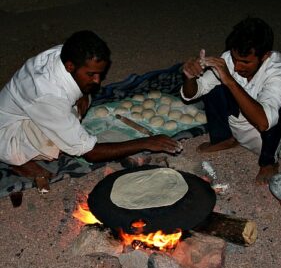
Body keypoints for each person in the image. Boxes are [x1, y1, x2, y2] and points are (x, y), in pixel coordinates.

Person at [0, 30, 182, 188]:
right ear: (70, 66)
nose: (98, 80)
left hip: (32, 109)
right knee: (68, 141)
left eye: (100, 73)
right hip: (8, 133)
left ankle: (62, 125)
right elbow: (91, 153)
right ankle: (17, 159)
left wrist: (82, 94)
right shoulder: (48, 96)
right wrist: (146, 142)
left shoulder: (63, 54)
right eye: (91, 74)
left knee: (81, 101)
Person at [181, 17, 281, 186]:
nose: (237, 67)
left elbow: (264, 122)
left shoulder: (280, 72)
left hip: (277, 141)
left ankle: (268, 162)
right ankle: (224, 138)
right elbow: (193, 92)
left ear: (265, 56)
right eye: (235, 59)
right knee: (216, 80)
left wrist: (230, 80)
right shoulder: (229, 59)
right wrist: (190, 76)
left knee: (279, 105)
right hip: (243, 123)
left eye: (245, 62)